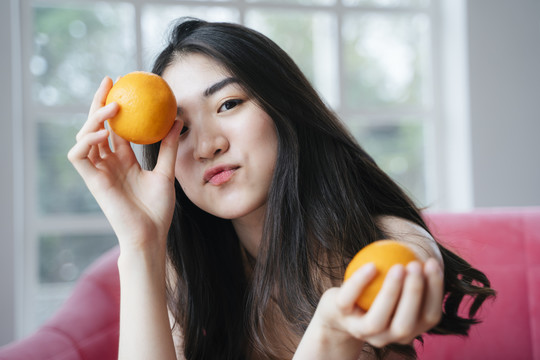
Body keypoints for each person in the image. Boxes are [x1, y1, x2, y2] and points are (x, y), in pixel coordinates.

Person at [68, 18, 495, 360]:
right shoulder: (186, 269)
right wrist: (140, 241)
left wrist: (332, 329)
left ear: (284, 108)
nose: (207, 145)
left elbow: (416, 264)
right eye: (179, 129)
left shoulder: (386, 243)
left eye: (229, 104)